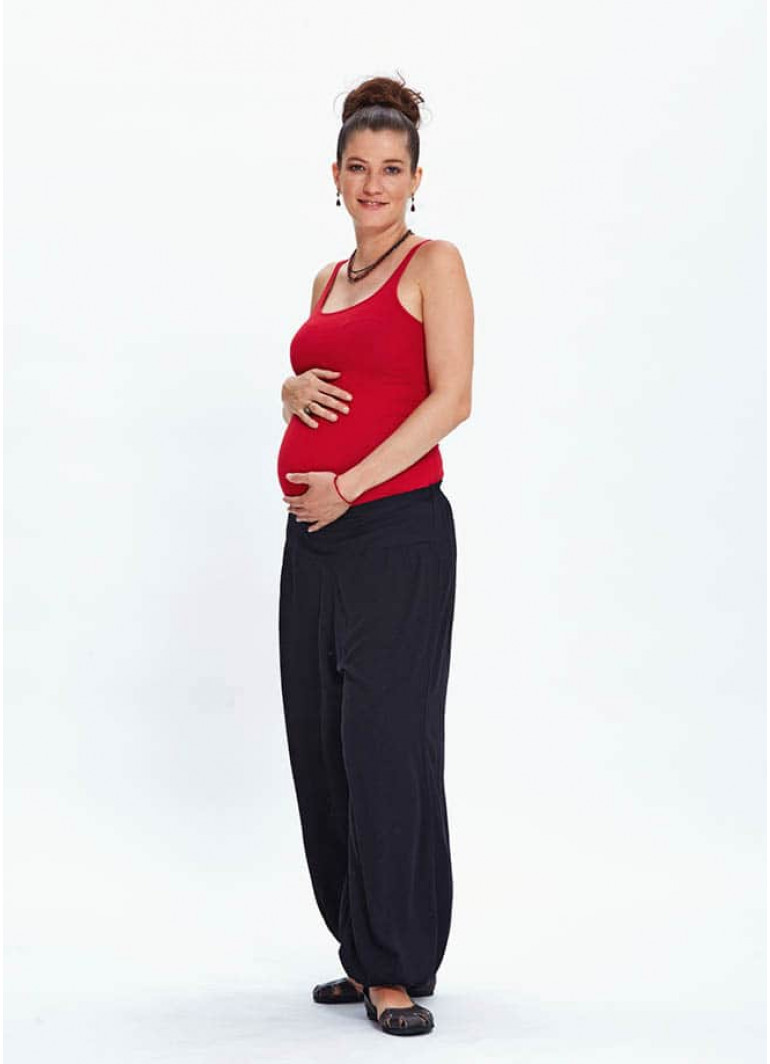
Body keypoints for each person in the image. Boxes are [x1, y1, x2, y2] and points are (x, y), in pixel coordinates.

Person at [276, 73, 474, 1037]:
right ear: (335, 175)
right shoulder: (326, 278)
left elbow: (451, 399)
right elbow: (334, 379)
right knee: (322, 746)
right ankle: (358, 950)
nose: (372, 184)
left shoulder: (435, 263)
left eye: (391, 169)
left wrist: (349, 484)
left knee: (387, 745)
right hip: (313, 544)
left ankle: (397, 967)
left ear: (416, 179)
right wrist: (287, 392)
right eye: (357, 167)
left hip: (395, 534)